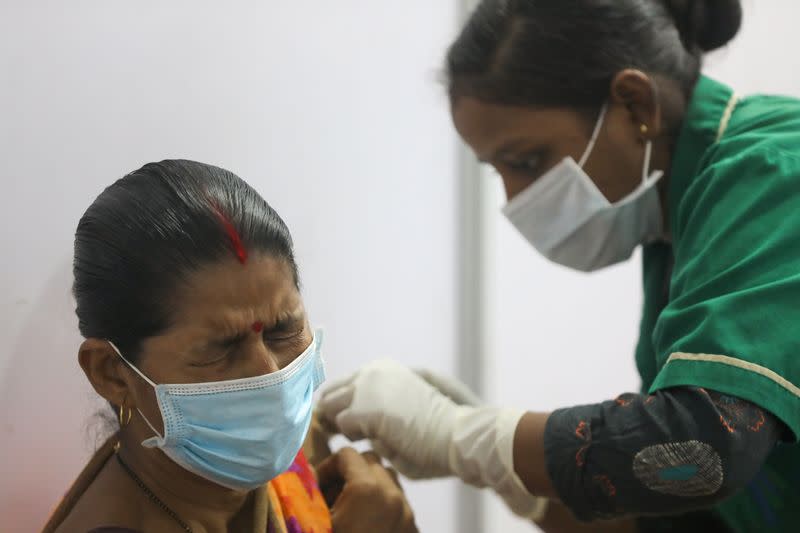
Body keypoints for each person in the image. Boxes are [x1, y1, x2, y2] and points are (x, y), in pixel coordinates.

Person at [319, 1, 800, 531]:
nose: (513, 199)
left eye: (527, 161)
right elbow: (689, 517)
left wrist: (466, 435)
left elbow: (703, 451)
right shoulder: (677, 223)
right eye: (497, 171)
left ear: (635, 104)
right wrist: (509, 478)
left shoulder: (773, 174)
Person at [43, 160, 418, 533]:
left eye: (282, 330)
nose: (269, 377)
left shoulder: (279, 467)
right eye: (220, 347)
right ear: (112, 374)